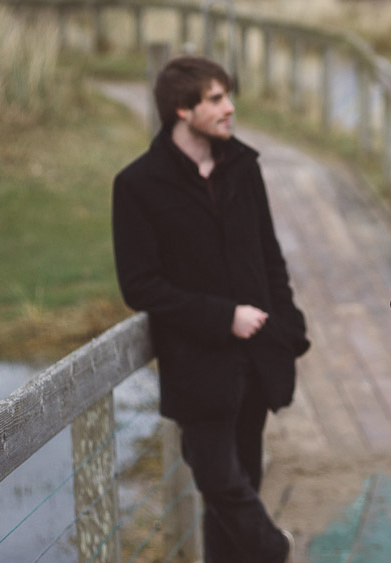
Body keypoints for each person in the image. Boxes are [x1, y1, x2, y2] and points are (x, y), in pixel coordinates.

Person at [112, 55, 309, 563]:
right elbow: (141, 286)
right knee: (221, 483)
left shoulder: (243, 167)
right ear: (182, 108)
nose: (230, 108)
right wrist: (224, 316)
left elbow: (269, 256)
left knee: (241, 487)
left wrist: (288, 328)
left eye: (226, 97)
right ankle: (275, 550)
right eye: (216, 99)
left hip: (258, 357)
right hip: (198, 364)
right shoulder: (137, 185)